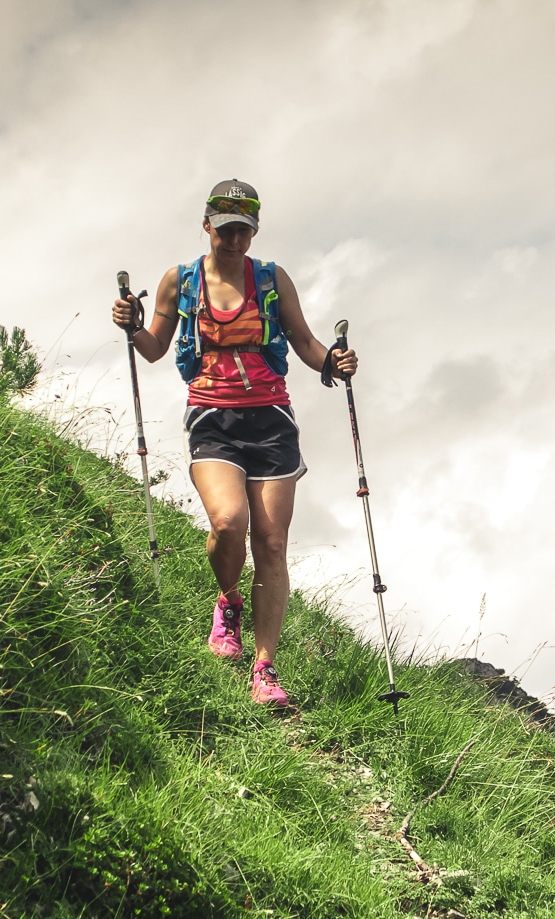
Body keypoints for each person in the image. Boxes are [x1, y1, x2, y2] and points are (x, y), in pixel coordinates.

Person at [112, 178, 357, 707]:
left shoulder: (271, 279)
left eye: (244, 229)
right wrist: (132, 325)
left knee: (271, 543)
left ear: (254, 230)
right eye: (225, 229)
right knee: (228, 522)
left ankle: (264, 669)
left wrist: (334, 363)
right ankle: (228, 600)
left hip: (270, 419)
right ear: (207, 225)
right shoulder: (180, 281)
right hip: (212, 417)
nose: (234, 239)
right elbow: (153, 348)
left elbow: (307, 343)